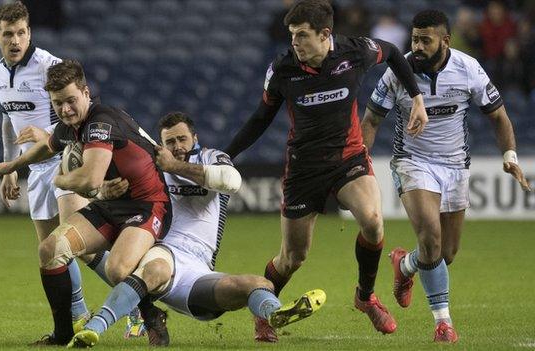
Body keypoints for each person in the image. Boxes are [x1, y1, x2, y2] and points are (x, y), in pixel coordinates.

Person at [223, 0, 428, 342]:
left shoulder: (355, 52)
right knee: (293, 257)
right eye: (292, 36)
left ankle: (365, 297)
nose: (295, 43)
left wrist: (416, 97)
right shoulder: (283, 69)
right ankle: (264, 312)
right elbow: (261, 118)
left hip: (348, 158)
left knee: (374, 222)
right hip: (304, 170)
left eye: (302, 35)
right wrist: (227, 155)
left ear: (325, 35)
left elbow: (393, 52)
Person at [68, 112, 327, 348]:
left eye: (182, 139)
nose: (177, 147)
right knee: (91, 250)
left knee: (258, 284)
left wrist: (174, 167)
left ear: (195, 138)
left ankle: (274, 314)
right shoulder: (150, 166)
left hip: (198, 271)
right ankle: (94, 328)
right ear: (161, 144)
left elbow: (232, 181)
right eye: (170, 142)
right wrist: (101, 190)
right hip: (160, 253)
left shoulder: (210, 158)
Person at [361, 10, 532, 343]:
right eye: (414, 39)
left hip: (455, 167)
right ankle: (443, 323)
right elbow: (370, 120)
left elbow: (499, 117)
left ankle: (405, 264)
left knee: (445, 254)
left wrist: (509, 156)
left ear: (445, 41)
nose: (418, 47)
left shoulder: (468, 69)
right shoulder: (399, 71)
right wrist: (360, 163)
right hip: (413, 161)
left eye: (426, 40)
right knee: (431, 238)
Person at [0, 59, 172, 345]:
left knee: (118, 269)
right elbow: (47, 146)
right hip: (110, 206)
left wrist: (60, 179)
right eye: (58, 103)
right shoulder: (71, 126)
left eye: (71, 100)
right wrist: (12, 165)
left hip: (147, 205)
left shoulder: (100, 122)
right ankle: (62, 335)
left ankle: (150, 314)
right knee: (50, 249)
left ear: (86, 93)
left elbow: (88, 180)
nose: (65, 109)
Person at [0, 0, 93, 335]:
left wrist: (47, 133)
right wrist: (10, 168)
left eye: (21, 32)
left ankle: (138, 306)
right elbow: (9, 120)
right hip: (35, 169)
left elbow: (84, 113)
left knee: (84, 247)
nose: (16, 40)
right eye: (8, 34)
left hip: (65, 158)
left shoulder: (50, 66)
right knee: (51, 252)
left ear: (30, 32)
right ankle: (80, 315)